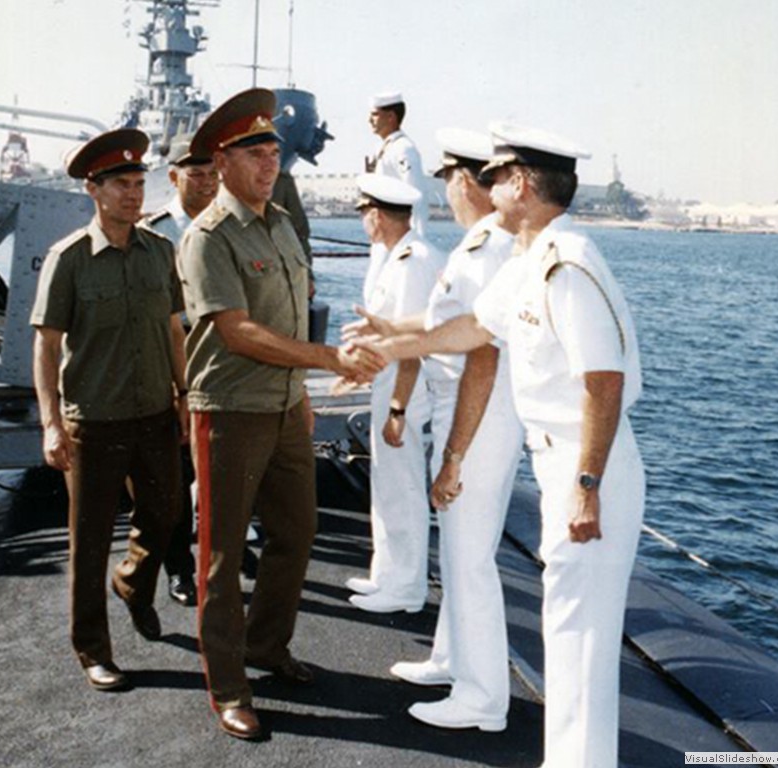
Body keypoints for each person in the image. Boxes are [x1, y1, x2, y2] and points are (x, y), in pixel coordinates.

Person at [359, 122, 644, 768]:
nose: (484, 188)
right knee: (567, 630)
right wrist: (390, 345)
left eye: (494, 177)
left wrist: (586, 489)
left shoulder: (567, 264)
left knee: (582, 636)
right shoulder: (530, 259)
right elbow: (468, 329)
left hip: (585, 468)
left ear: (520, 183)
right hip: (562, 466)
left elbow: (604, 383)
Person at [177, 88, 384, 741]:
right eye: (255, 153)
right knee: (221, 552)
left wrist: (306, 379)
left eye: (273, 151)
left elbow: (291, 314)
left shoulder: (283, 225)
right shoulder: (209, 237)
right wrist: (327, 358)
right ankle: (229, 686)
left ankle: (268, 645)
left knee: (296, 534)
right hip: (231, 410)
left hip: (285, 404)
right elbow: (237, 332)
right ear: (223, 161)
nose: (270, 163)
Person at [348, 129, 524, 728]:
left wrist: (454, 454)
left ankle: (482, 700)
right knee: (458, 550)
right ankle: (452, 658)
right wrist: (388, 330)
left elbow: (483, 352)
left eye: (449, 176)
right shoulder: (478, 246)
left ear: (464, 180)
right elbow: (442, 319)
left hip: (477, 413)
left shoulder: (491, 249)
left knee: (469, 556)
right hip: (464, 405)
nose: (443, 188)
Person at [30, 128, 185, 693]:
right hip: (92, 422)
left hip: (155, 415)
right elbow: (46, 345)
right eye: (121, 184)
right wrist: (51, 424)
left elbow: (174, 330)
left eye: (139, 183)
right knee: (89, 539)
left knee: (165, 515)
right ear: (94, 190)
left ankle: (135, 584)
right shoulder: (68, 259)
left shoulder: (160, 252)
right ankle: (92, 649)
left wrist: (185, 394)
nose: (133, 194)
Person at [344, 173, 445, 614]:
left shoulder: (414, 261)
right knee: (385, 482)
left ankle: (406, 588)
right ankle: (385, 573)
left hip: (408, 386)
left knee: (401, 485)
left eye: (365, 212)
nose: (364, 221)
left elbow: (413, 346)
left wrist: (399, 409)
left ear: (377, 215)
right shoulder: (392, 256)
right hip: (387, 382)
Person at [143, 134, 220, 607]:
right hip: (179, 353)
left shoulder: (228, 226)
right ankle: (180, 567)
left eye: (214, 174)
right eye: (197, 174)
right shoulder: (156, 234)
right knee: (176, 471)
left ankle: (220, 553)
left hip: (224, 355)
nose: (208, 183)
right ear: (174, 176)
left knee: (221, 467)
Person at [365, 91, 429, 236]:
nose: (369, 120)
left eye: (375, 114)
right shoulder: (382, 147)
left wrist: (416, 238)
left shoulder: (404, 149)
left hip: (400, 235)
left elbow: (416, 196)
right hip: (383, 232)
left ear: (391, 117)